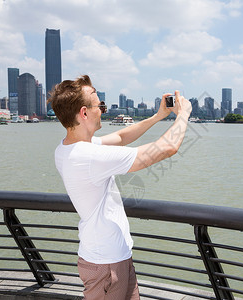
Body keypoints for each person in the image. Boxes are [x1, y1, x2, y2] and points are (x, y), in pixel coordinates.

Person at [48, 75, 192, 299]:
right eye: (100, 105)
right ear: (84, 113)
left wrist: (158, 116)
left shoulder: (69, 148)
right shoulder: (87, 156)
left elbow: (121, 136)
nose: (103, 110)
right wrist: (183, 114)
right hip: (105, 265)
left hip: (115, 257)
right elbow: (167, 147)